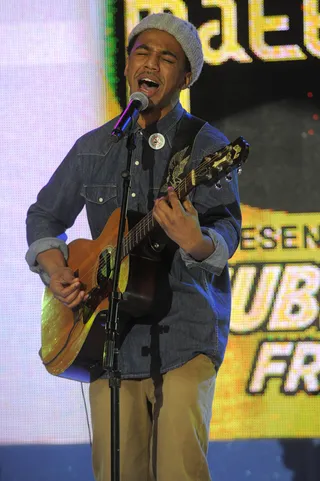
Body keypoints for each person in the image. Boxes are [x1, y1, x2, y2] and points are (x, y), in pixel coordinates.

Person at [25, 12, 241, 481]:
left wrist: (197, 242)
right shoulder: (94, 147)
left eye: (167, 58)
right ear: (127, 67)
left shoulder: (205, 144)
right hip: (107, 341)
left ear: (185, 78)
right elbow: (44, 215)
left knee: (179, 472)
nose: (152, 62)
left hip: (183, 334)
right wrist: (54, 265)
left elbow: (227, 226)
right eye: (142, 52)